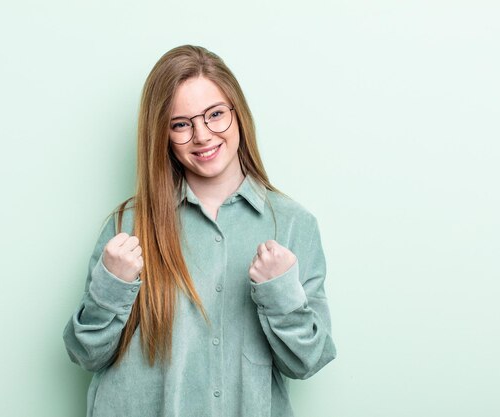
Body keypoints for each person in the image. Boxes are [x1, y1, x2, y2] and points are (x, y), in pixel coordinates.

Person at [63, 44, 336, 417]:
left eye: (215, 114)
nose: (202, 135)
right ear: (162, 135)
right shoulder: (128, 225)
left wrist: (279, 293)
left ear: (237, 113)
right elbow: (84, 354)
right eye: (181, 124)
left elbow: (308, 361)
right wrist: (112, 286)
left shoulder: (293, 223)